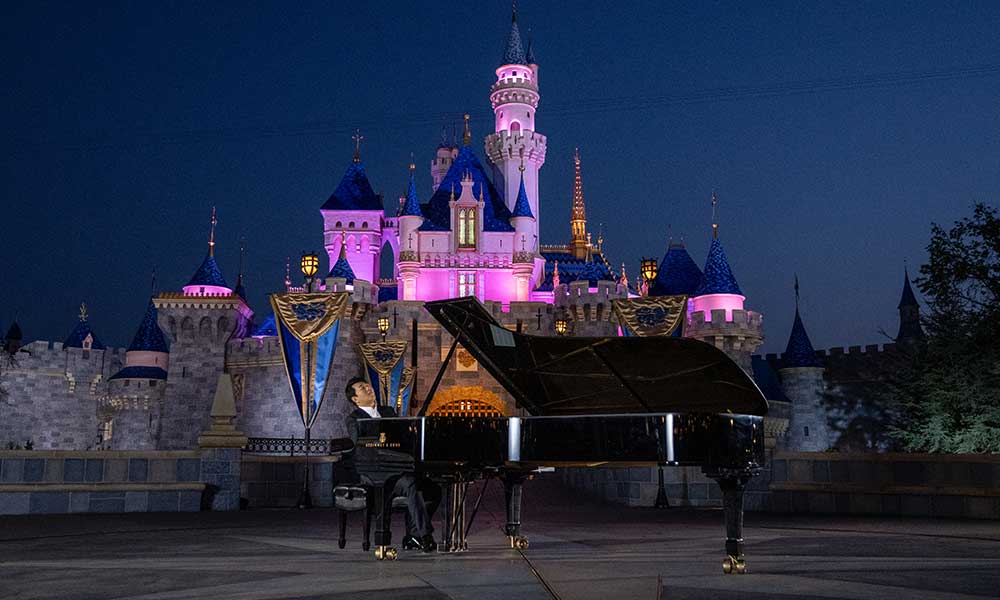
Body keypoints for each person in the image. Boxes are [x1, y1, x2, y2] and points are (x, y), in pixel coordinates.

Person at [338, 376, 441, 552]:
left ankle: (413, 536)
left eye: (367, 385)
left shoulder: (388, 412)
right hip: (373, 472)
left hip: (397, 468)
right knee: (410, 483)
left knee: (433, 489)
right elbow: (360, 445)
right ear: (355, 399)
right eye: (362, 388)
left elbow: (402, 439)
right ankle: (425, 536)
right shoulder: (354, 419)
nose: (368, 388)